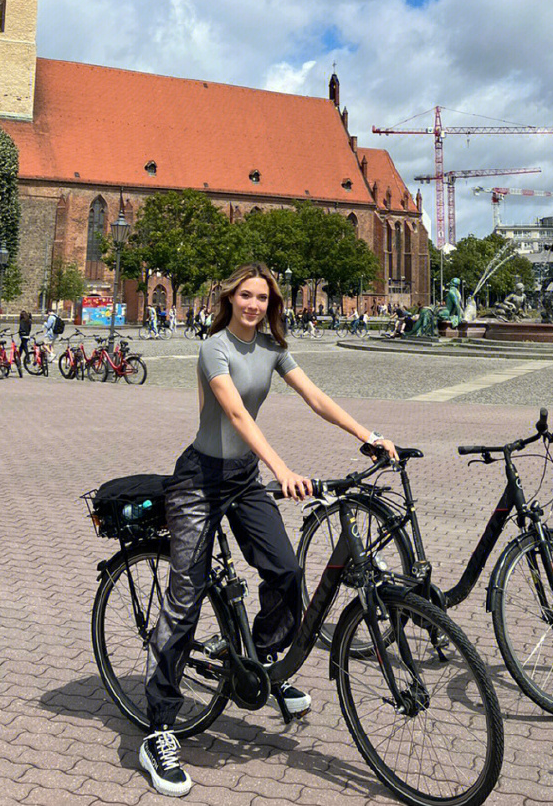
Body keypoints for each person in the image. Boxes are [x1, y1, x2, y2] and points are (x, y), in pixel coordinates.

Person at [137, 261, 398, 798]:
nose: (254, 305)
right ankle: (159, 726)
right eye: (246, 296)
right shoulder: (215, 347)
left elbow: (316, 397)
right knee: (184, 595)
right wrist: (282, 469)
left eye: (262, 298)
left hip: (243, 478)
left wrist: (368, 434)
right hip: (199, 480)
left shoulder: (274, 349)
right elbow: (235, 414)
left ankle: (255, 664)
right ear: (231, 299)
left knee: (285, 569)